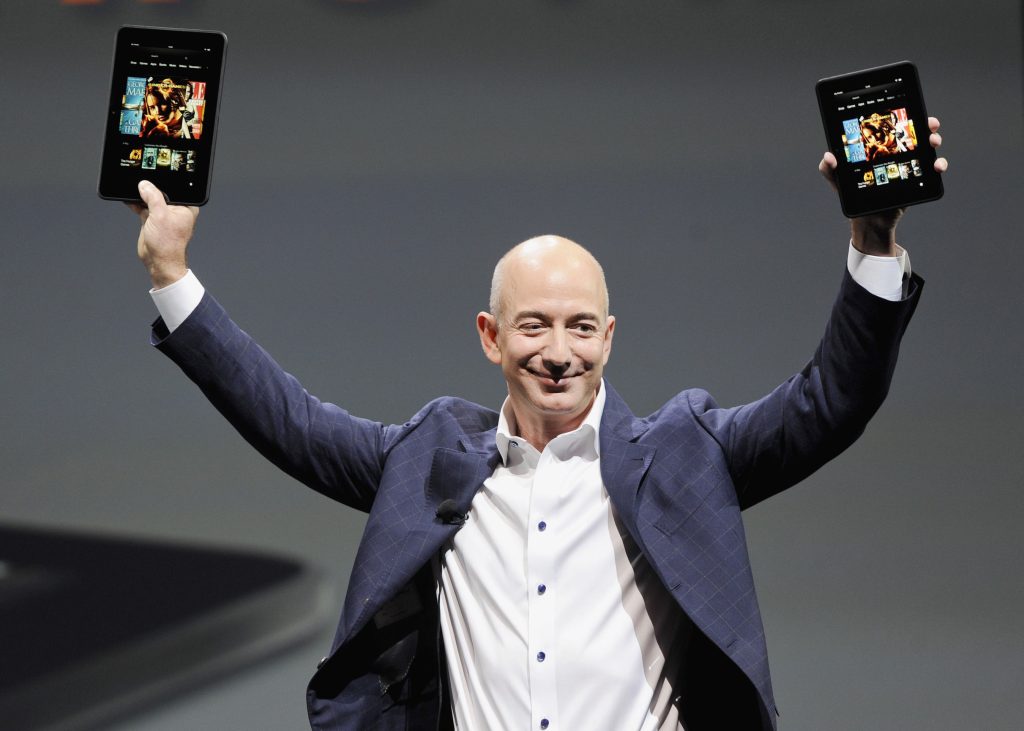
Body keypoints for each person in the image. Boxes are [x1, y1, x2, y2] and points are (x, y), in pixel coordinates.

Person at [129, 120, 947, 731]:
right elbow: (288, 419)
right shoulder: (430, 460)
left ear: (609, 338)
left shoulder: (687, 453)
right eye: (534, 326)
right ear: (490, 337)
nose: (559, 353)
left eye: (581, 327)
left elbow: (831, 400)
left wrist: (873, 241)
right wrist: (171, 270)